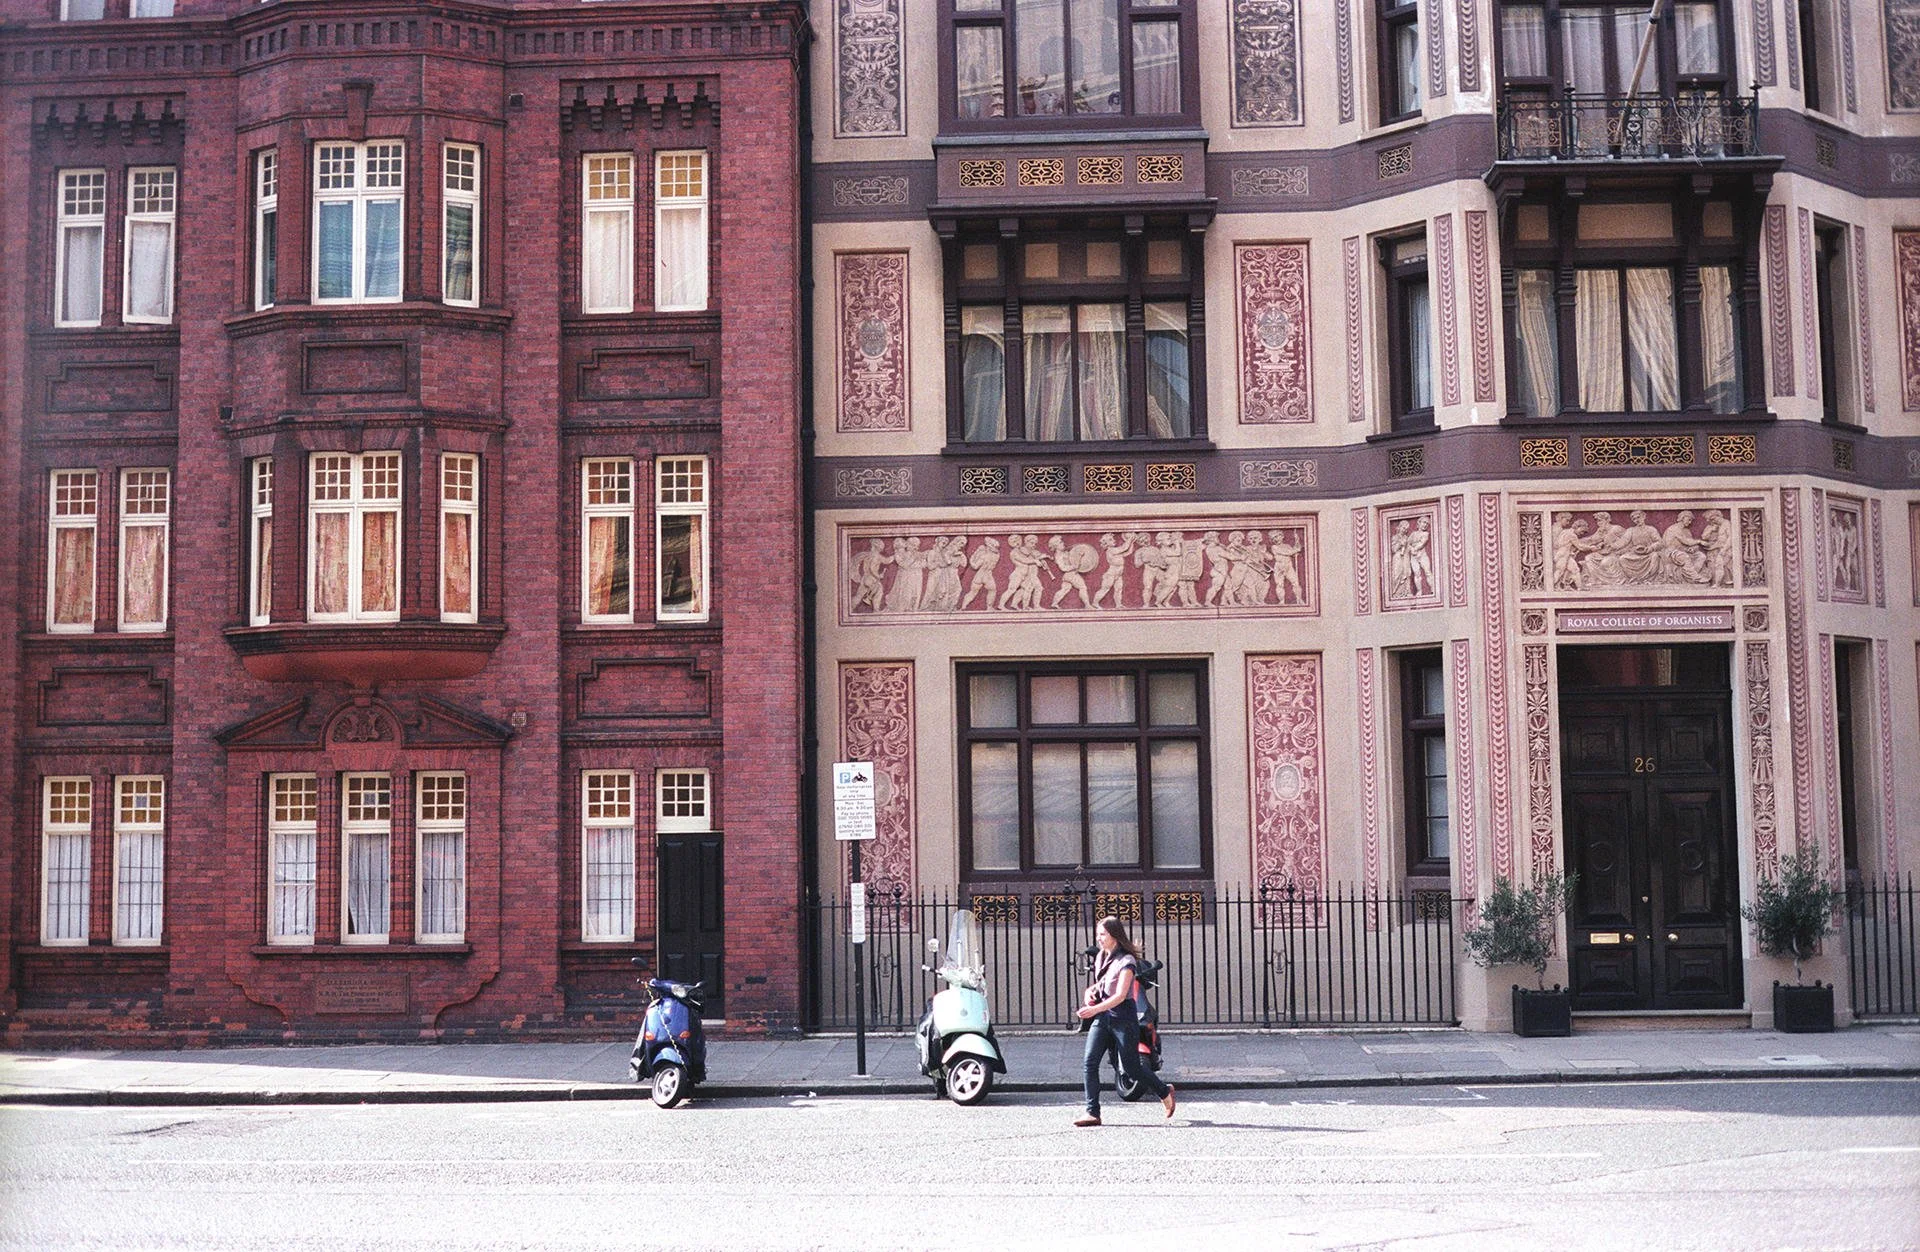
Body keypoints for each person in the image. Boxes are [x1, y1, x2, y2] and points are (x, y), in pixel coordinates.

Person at [1073, 915, 1175, 1126]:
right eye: (1098, 934)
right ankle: (1092, 1112)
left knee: (1131, 1068)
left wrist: (1093, 1010)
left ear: (1115, 935)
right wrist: (1088, 995)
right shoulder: (1101, 956)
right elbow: (1099, 987)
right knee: (1089, 1062)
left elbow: (1120, 996)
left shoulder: (1127, 962)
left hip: (1123, 1019)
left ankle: (1164, 1091)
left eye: (1102, 934)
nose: (1099, 938)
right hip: (1103, 1017)